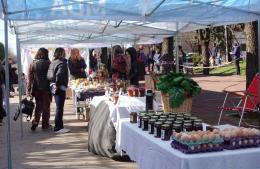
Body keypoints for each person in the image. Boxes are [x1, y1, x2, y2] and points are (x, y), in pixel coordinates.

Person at [27, 48, 52, 131]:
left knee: (38, 106)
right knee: (46, 107)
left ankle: (35, 121)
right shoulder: (49, 63)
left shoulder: (33, 63)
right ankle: (45, 124)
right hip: (46, 88)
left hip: (36, 88)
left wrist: (29, 89)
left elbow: (30, 78)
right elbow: (52, 77)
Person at [47, 47, 70, 134]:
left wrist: (53, 83)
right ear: (62, 53)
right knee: (59, 108)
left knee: (59, 107)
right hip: (59, 86)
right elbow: (59, 75)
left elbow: (49, 75)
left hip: (53, 85)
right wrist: (57, 84)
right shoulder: (62, 63)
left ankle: (60, 126)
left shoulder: (53, 62)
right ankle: (58, 127)